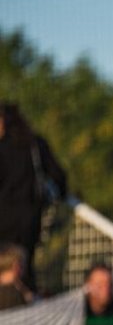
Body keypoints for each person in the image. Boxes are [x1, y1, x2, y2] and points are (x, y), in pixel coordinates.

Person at [0, 102, 67, 292]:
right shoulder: (35, 145)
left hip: (4, 223)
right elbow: (59, 178)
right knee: (25, 269)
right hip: (29, 222)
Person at [0, 242, 32, 310]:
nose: (23, 269)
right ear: (15, 266)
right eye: (21, 265)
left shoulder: (17, 284)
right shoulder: (10, 289)